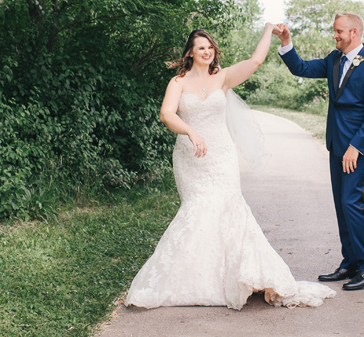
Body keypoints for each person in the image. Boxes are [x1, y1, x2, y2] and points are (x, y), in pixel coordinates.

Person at [124, 24, 336, 310]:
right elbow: (166, 114)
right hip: (191, 157)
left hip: (221, 156)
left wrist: (267, 31)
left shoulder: (222, 77)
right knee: (197, 210)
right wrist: (191, 132)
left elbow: (256, 61)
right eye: (201, 47)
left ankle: (235, 275)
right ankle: (197, 279)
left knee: (227, 210)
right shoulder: (178, 82)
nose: (207, 51)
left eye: (210, 47)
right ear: (190, 52)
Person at [275, 14, 364, 291]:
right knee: (342, 206)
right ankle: (350, 262)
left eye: (339, 32)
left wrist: (355, 147)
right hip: (336, 145)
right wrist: (286, 42)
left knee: (352, 203)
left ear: (354, 32)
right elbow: (300, 68)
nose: (335, 36)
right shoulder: (333, 60)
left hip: (358, 150)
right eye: (334, 31)